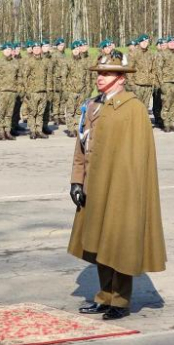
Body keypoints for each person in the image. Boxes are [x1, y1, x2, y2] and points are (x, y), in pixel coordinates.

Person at [68, 51, 166, 320]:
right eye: (99, 73)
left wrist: (131, 193)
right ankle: (104, 296)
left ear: (121, 78)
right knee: (99, 242)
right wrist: (77, 180)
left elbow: (137, 157)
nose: (100, 78)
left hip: (121, 188)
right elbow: (82, 144)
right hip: (94, 186)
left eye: (107, 73)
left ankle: (120, 301)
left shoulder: (132, 109)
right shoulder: (93, 105)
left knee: (119, 242)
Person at [0, 43, 19, 140]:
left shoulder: (15, 62)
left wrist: (18, 88)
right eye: (5, 50)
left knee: (9, 113)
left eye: (9, 49)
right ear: (2, 51)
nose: (7, 51)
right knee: (1, 113)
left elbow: (18, 77)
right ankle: (1, 132)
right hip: (1, 91)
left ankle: (8, 131)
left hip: (12, 91)